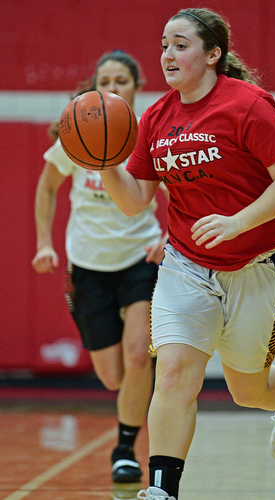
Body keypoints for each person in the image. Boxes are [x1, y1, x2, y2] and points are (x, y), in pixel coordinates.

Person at [99, 8, 275, 500]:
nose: (168, 55)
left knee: (248, 391)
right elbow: (136, 199)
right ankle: (161, 491)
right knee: (174, 373)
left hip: (260, 267)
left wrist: (239, 221)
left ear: (213, 53)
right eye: (163, 45)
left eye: (180, 45)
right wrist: (105, 163)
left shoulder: (248, 104)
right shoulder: (156, 117)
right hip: (186, 267)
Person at [32, 50, 167, 484]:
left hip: (139, 260)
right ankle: (133, 398)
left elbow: (182, 193)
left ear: (136, 87)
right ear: (94, 86)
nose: (112, 87)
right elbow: (46, 187)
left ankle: (125, 448)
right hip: (88, 266)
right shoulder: (75, 137)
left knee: (137, 356)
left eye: (121, 80)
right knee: (112, 376)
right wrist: (42, 243)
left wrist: (169, 238)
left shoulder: (148, 135)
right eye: (104, 79)